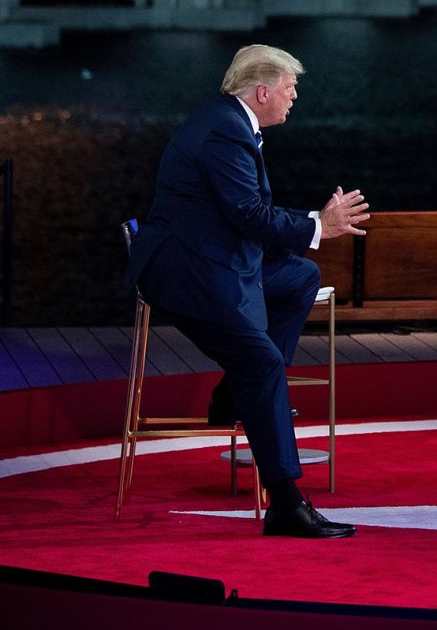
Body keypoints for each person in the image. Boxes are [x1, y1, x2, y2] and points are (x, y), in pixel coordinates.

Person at [127, 45, 371, 538]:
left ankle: (234, 396)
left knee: (300, 276)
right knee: (261, 364)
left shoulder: (232, 124)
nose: (294, 97)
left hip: (216, 258)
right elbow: (248, 216)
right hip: (189, 274)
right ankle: (285, 505)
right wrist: (318, 225)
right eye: (289, 88)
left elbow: (243, 212)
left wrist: (312, 225)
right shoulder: (224, 131)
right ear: (263, 91)